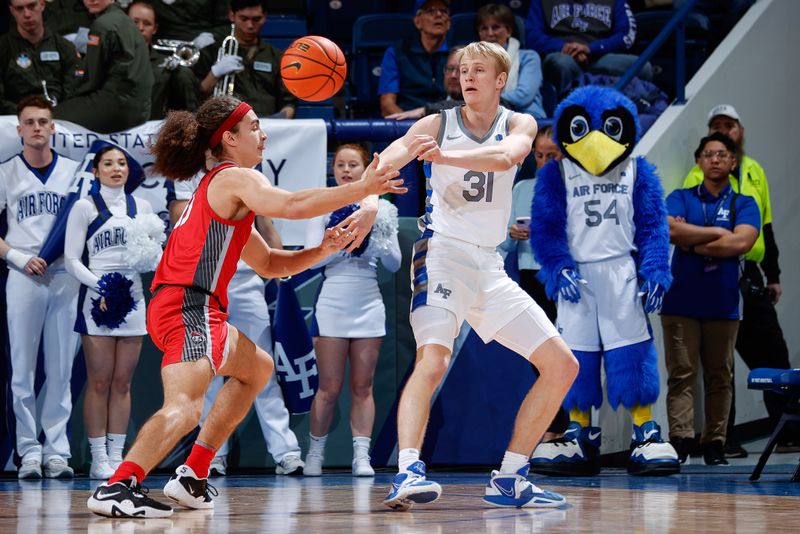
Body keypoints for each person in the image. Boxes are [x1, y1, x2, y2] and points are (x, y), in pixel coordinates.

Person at [86, 95, 405, 518]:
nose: (264, 133)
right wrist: (363, 188)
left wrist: (323, 248)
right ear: (229, 138)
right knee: (185, 406)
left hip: (193, 306)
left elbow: (270, 264)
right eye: (254, 126)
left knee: (257, 368)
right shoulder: (232, 178)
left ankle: (192, 475)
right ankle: (118, 485)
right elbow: (291, 205)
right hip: (188, 304)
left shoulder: (224, 195)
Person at [371, 41, 577, 511]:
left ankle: (510, 476)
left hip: (490, 264)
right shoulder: (433, 124)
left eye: (479, 69)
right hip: (442, 253)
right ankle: (406, 471)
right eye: (463, 69)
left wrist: (443, 158)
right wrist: (367, 203)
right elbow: (382, 165)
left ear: (500, 80)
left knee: (563, 365)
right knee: (434, 360)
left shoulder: (519, 123)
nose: (468, 76)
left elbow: (506, 158)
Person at [168, 175, 306, 477]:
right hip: (205, 282)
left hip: (245, 282)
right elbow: (180, 215)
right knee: (208, 372)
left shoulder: (249, 176)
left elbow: (267, 226)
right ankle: (212, 455)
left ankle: (286, 451)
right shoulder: (189, 176)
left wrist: (282, 278)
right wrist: (229, 197)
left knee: (262, 367)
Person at [683, 105, 795, 455]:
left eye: (728, 126)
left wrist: (773, 276)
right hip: (712, 273)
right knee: (721, 361)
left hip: (751, 273)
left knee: (774, 353)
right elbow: (688, 231)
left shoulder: (754, 172)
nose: (723, 132)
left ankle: (788, 431)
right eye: (715, 127)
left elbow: (766, 226)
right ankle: (723, 438)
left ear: (739, 133)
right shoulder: (693, 178)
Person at [302, 143, 402, 477]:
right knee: (328, 388)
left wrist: (379, 235)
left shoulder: (383, 210)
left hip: (368, 302)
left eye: (353, 164)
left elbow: (394, 263)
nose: (346, 170)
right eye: (341, 165)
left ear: (365, 169)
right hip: (332, 300)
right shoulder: (321, 207)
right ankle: (315, 454)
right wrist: (339, 240)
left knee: (363, 386)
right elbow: (309, 258)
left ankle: (362, 457)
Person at [662, 132, 760, 465]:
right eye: (708, 154)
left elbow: (741, 243)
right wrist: (718, 234)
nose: (715, 159)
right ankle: (680, 441)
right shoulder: (680, 197)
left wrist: (693, 242)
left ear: (733, 162)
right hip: (680, 301)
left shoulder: (744, 203)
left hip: (723, 302)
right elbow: (669, 230)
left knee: (720, 375)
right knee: (681, 373)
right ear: (699, 161)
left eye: (721, 154)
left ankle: (715, 443)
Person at [0, 95, 81, 479]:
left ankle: (57, 450)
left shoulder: (74, 171)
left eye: (42, 121)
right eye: (29, 122)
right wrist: (16, 257)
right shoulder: (5, 172)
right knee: (22, 369)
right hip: (23, 273)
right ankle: (28, 451)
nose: (36, 128)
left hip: (65, 275)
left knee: (62, 366)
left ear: (53, 128)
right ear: (19, 130)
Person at [63, 145, 156, 479]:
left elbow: (150, 254)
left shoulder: (142, 206)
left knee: (123, 382)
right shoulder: (84, 207)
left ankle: (117, 456)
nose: (116, 168)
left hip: (132, 297)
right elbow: (72, 259)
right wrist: (101, 286)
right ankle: (98, 457)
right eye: (108, 164)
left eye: (121, 163)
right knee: (99, 381)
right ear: (95, 171)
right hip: (98, 298)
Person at [54, 0, 153, 133]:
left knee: (47, 117)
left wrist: (68, 96)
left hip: (117, 106)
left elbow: (89, 80)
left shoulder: (102, 25)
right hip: (141, 108)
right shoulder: (126, 20)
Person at [525, 0, 653, 97]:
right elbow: (531, 35)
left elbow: (626, 34)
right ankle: (567, 113)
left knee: (643, 67)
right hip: (562, 54)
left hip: (600, 56)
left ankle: (623, 111)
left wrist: (591, 48)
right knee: (561, 63)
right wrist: (562, 47)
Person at [500, 125, 561, 322]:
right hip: (529, 274)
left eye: (551, 156)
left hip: (564, 272)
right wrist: (512, 233)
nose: (543, 162)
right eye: (539, 155)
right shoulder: (521, 189)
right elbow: (506, 244)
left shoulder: (575, 190)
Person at [195, 0, 296, 118]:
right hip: (226, 124)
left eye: (256, 19)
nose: (250, 25)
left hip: (267, 126)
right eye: (244, 19)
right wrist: (214, 74)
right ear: (232, 16)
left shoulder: (276, 57)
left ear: (265, 17)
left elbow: (289, 103)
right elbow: (197, 95)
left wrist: (277, 121)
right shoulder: (213, 51)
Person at [126, 1, 202, 120]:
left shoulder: (169, 68)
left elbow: (191, 112)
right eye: (135, 22)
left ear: (155, 29)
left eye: (147, 24)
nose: (140, 28)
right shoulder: (106, 59)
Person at [1, 0, 77, 114]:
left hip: (60, 118)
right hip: (16, 119)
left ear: (42, 4)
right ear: (11, 11)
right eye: (19, 9)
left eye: (32, 6)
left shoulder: (65, 47)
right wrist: (26, 113)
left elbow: (73, 92)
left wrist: (56, 112)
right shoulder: (3, 47)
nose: (27, 14)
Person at [378, 0, 450, 117]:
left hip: (449, 122)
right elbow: (387, 105)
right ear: (417, 22)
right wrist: (412, 126)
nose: (438, 15)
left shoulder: (459, 53)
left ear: (449, 23)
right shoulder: (397, 52)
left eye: (443, 11)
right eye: (431, 11)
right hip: (408, 123)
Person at [476, 3, 545, 119]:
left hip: (528, 117)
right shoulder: (473, 62)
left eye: (496, 27)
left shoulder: (529, 58)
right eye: (484, 28)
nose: (490, 33)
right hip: (487, 120)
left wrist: (485, 100)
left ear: (508, 31)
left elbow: (523, 96)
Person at [386, 45, 464, 121]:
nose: (453, 75)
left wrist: (424, 110)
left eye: (461, 70)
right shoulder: (439, 102)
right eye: (450, 69)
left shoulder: (473, 107)